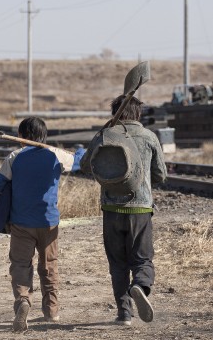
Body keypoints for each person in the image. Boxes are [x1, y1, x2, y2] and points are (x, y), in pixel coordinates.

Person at [0, 117, 85, 332]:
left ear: (22, 136)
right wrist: (79, 151)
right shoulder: (55, 155)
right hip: (49, 222)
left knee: (21, 265)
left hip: (21, 222)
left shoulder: (15, 157)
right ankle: (51, 310)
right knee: (49, 264)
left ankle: (23, 301)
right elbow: (81, 161)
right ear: (44, 136)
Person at [80, 95, 167, 327]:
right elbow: (161, 174)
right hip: (139, 209)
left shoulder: (104, 135)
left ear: (115, 112)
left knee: (118, 264)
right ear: (138, 114)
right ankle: (140, 285)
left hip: (111, 208)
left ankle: (124, 314)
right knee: (142, 258)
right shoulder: (149, 137)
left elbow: (85, 166)